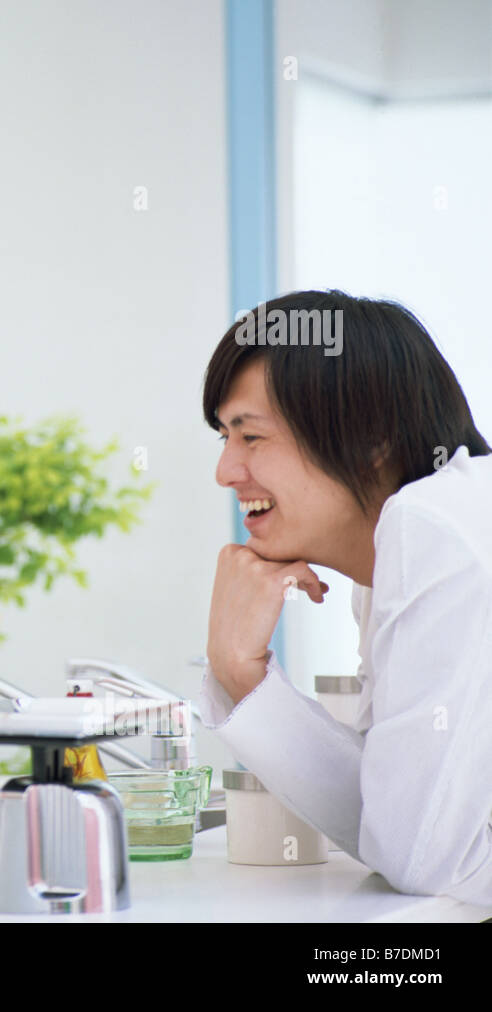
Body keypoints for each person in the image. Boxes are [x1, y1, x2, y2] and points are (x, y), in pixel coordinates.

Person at [200, 288, 492, 905]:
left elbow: (417, 855)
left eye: (251, 437)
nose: (226, 471)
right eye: (225, 437)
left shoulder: (430, 524)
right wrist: (241, 676)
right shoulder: (412, 541)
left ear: (371, 440)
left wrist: (243, 675)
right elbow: (391, 820)